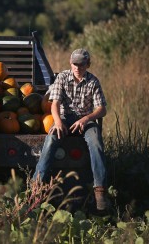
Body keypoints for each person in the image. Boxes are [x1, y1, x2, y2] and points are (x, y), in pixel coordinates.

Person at [32, 48, 108, 211]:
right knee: (51, 138)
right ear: (70, 63)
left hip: (85, 119)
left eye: (81, 64)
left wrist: (86, 119)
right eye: (74, 63)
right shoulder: (62, 77)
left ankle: (99, 189)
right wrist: (58, 122)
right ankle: (36, 186)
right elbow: (55, 104)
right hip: (64, 117)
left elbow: (102, 109)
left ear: (88, 64)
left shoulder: (93, 81)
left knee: (95, 141)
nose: (77, 67)